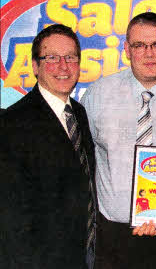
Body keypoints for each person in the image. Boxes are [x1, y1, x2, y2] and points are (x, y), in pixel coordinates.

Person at [81, 12, 156, 268]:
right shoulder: (98, 94)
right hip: (113, 239)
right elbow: (81, 158)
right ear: (127, 50)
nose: (149, 53)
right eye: (140, 45)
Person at [0, 24, 97, 269]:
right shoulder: (13, 122)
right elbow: (10, 214)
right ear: (35, 66)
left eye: (70, 57)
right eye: (52, 58)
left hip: (83, 255)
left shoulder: (79, 113)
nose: (63, 67)